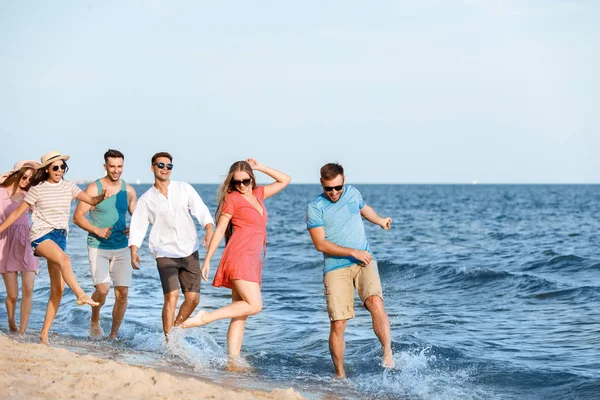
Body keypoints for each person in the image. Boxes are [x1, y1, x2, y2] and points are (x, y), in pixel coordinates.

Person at [181, 158, 290, 371]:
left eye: (245, 181)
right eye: (236, 182)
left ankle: (233, 361)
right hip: (239, 257)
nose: (241, 186)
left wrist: (260, 167)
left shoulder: (258, 194)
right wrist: (208, 260)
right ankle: (206, 317)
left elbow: (285, 180)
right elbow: (221, 229)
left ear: (252, 179)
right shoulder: (232, 199)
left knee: (241, 313)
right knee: (255, 305)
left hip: (252, 260)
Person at [0, 151, 105, 344]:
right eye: (55, 167)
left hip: (60, 237)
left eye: (62, 167)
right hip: (41, 236)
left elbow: (91, 201)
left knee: (57, 289)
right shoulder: (37, 189)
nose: (59, 170)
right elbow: (16, 215)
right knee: (65, 260)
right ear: (47, 169)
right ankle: (80, 294)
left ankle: (44, 334)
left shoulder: (69, 187)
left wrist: (102, 196)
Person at [306, 162, 394, 378]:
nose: (334, 192)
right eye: (329, 188)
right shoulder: (315, 207)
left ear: (344, 181)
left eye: (338, 187)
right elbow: (320, 244)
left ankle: (388, 353)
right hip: (336, 267)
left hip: (364, 260)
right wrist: (352, 252)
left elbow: (365, 210)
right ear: (321, 184)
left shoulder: (353, 193)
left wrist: (381, 221)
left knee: (375, 302)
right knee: (338, 323)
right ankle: (340, 375)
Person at [128, 152, 214, 341]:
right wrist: (134, 249)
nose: (165, 169)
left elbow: (202, 211)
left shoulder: (184, 189)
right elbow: (138, 226)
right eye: (161, 165)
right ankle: (169, 342)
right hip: (164, 252)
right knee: (172, 296)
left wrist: (208, 229)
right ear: (152, 168)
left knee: (193, 299)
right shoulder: (146, 199)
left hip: (189, 250)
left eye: (169, 166)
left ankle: (174, 331)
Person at [73, 149, 137, 339]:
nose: (116, 170)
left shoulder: (129, 191)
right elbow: (77, 217)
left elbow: (139, 217)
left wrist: (134, 228)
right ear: (105, 167)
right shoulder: (94, 189)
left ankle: (113, 335)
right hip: (98, 246)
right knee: (102, 289)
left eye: (119, 166)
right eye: (112, 166)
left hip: (121, 247)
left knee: (123, 293)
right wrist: (97, 230)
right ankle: (95, 318)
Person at [0, 160, 40, 337]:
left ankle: (23, 332)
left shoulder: (30, 194)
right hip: (5, 243)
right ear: (16, 174)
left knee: (29, 289)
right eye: (24, 176)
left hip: (26, 244)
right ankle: (11, 322)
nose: (26, 181)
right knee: (13, 295)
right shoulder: (1, 192)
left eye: (30, 179)